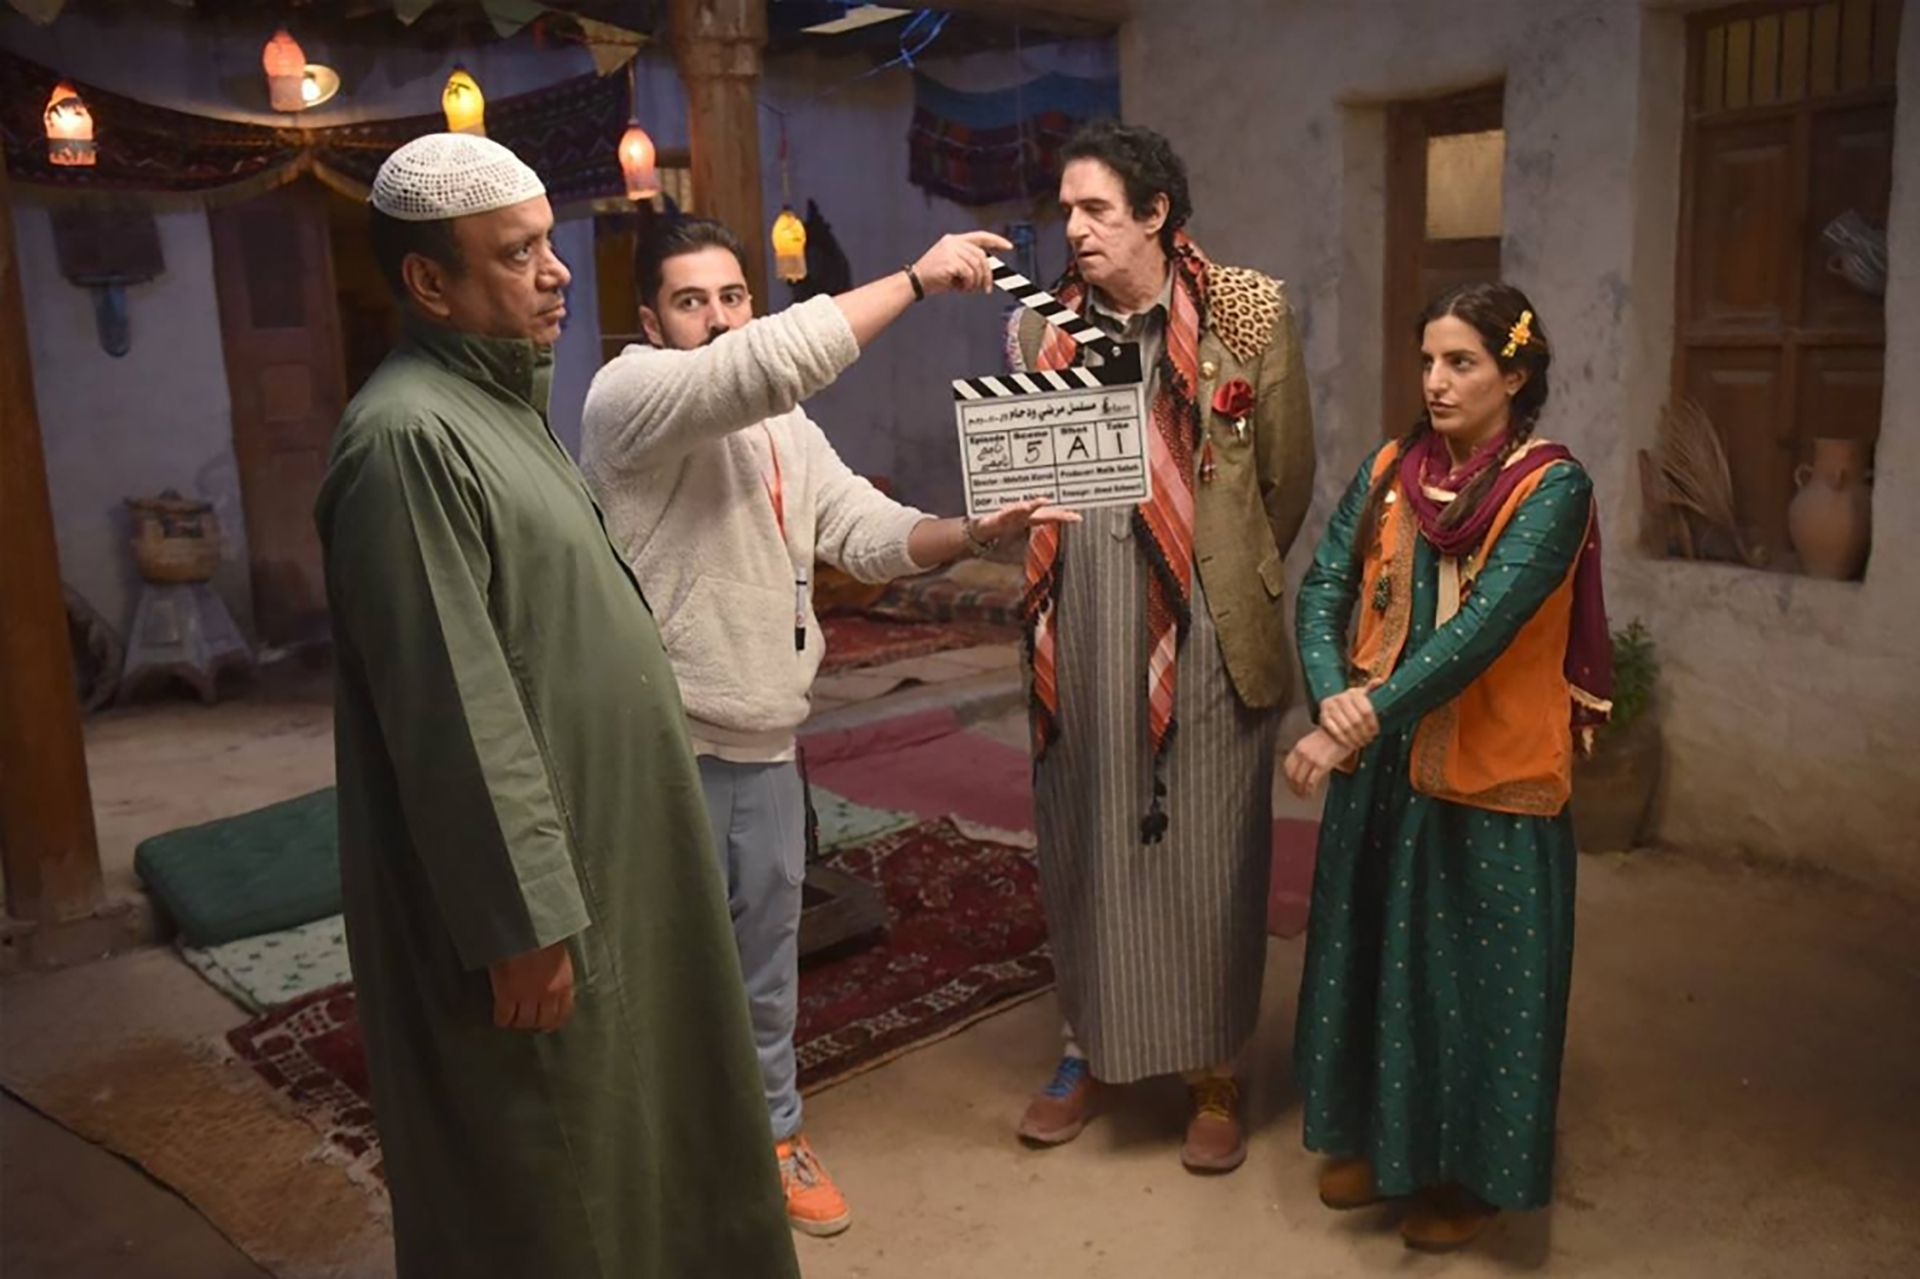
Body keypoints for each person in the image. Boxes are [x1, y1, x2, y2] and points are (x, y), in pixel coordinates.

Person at [314, 134, 798, 1278]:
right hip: (531, 899)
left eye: (549, 242)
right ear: (429, 282)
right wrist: (518, 921)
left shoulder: (496, 404)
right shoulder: (406, 438)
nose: (557, 270)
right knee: (553, 1160)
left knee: (639, 1124)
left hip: (603, 851)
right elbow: (453, 703)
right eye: (518, 251)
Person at [578, 215, 1078, 1236]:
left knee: (766, 966)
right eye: (690, 302)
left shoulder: (783, 429)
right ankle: (648, 1167)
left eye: (733, 297)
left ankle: (773, 1134)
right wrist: (915, 279)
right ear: (650, 323)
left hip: (764, 734)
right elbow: (762, 365)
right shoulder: (628, 397)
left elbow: (861, 530)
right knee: (652, 971)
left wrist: (969, 530)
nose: (719, 319)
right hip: (661, 744)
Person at [1005, 120, 1317, 1172]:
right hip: (1081, 619)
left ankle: (1213, 1067)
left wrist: (1210, 565)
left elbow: (1284, 480)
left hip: (1207, 624)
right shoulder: (1037, 331)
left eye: (1097, 209)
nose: (1075, 228)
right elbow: (1024, 477)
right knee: (1086, 833)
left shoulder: (1246, 312)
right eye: (1067, 210)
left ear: (1155, 214)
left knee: (1209, 849)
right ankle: (1087, 1046)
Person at [1285, 282, 1610, 1250]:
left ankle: (1472, 1178)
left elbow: (1480, 632)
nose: (1435, 381)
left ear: (1514, 374)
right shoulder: (1394, 468)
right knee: (1378, 958)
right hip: (1384, 765)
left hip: (1490, 777)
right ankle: (1389, 1149)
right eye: (1428, 360)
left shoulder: (1551, 488)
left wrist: (1354, 721)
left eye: (1461, 362)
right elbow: (1324, 584)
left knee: (1472, 981)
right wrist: (1332, 696)